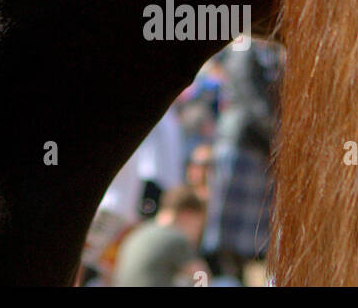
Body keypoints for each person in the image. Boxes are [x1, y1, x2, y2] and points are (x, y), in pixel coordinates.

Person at [201, 36, 282, 282]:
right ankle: (226, 278)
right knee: (229, 237)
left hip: (257, 147)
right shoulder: (244, 50)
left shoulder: (265, 52)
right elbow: (250, 97)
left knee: (251, 237)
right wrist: (278, 135)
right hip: (241, 144)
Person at [113, 185, 209, 287]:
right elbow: (201, 276)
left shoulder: (139, 232)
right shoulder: (175, 238)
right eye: (198, 224)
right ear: (187, 215)